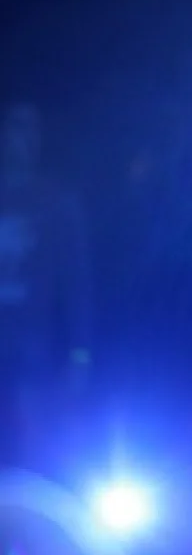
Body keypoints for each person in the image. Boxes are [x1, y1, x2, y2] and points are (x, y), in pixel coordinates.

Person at [0, 102, 92, 472]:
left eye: (28, 130)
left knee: (33, 448)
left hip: (35, 352)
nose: (19, 139)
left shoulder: (55, 204)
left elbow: (76, 283)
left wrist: (80, 354)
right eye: (12, 128)